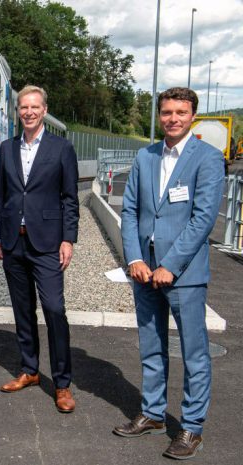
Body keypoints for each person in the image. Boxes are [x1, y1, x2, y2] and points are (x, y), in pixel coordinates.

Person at [115, 87, 223, 460]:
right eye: (166, 112)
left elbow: (203, 219)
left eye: (180, 112)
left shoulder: (207, 158)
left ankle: (191, 428)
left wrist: (169, 266)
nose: (172, 118)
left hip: (184, 274)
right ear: (158, 115)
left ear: (193, 115)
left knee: (194, 353)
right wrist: (134, 259)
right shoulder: (145, 156)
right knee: (151, 346)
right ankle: (153, 413)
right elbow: (129, 211)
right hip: (144, 273)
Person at [0, 85, 79, 413]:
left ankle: (62, 383)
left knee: (54, 309)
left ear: (44, 110)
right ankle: (29, 370)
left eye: (34, 107)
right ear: (18, 112)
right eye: (23, 107)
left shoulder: (61, 149)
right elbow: (1, 197)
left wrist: (68, 239)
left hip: (47, 243)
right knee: (23, 309)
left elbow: (70, 199)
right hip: (14, 241)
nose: (28, 112)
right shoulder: (6, 148)